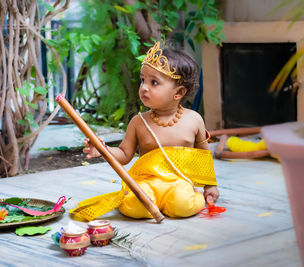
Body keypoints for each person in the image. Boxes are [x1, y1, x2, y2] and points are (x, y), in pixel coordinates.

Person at [72, 41, 219, 220]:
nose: (144, 87)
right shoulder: (139, 122)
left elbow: (203, 157)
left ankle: (173, 201)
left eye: (154, 82)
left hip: (178, 182)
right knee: (135, 205)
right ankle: (149, 202)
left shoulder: (194, 120)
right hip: (147, 182)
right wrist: (103, 150)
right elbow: (125, 154)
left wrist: (210, 185)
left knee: (183, 204)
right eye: (143, 80)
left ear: (178, 92)